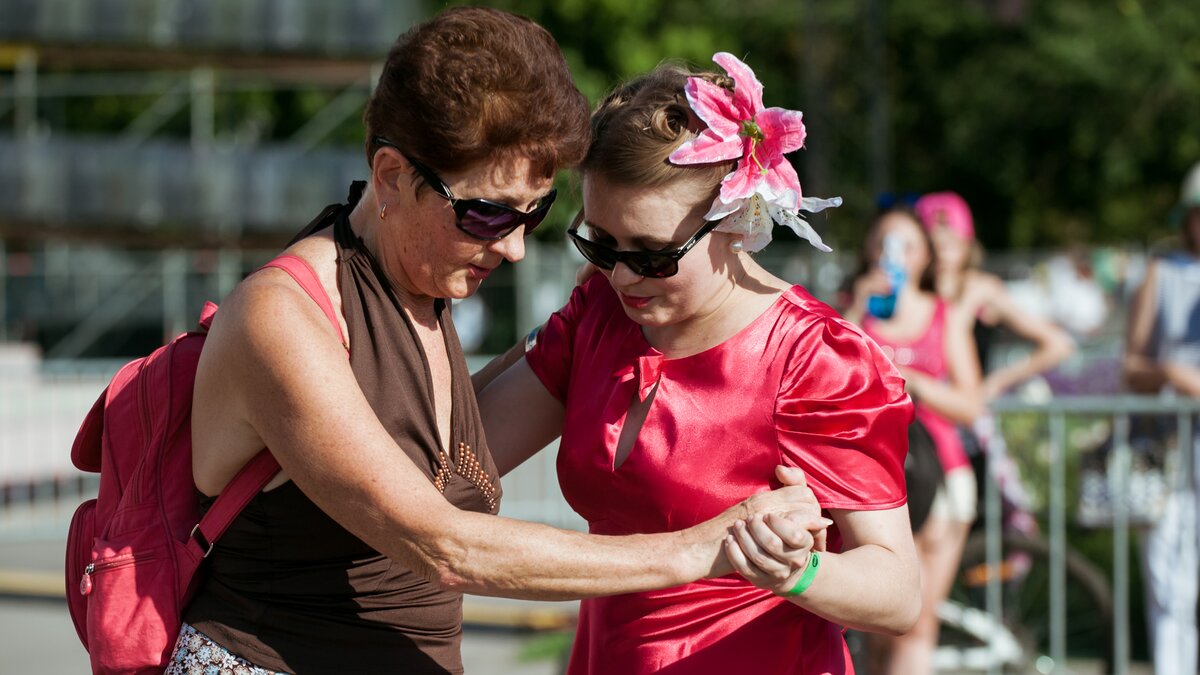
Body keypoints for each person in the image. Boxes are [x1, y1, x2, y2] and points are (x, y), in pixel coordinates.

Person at [177, 11, 819, 675]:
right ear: (393, 175)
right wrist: (705, 546)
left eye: (534, 214)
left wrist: (629, 297)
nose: (513, 247)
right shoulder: (281, 316)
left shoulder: (420, 289)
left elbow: (452, 455)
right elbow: (442, 542)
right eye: (488, 213)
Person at [475, 54, 920, 674]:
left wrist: (800, 570)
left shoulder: (816, 357)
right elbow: (459, 458)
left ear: (737, 221)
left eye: (654, 255)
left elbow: (898, 592)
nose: (624, 274)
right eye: (599, 242)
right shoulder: (602, 308)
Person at [843, 207, 984, 675]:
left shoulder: (944, 316)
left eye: (907, 245)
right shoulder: (853, 308)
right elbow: (825, 374)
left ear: (925, 257)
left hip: (938, 476)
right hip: (870, 478)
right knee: (873, 623)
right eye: (885, 242)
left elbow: (970, 404)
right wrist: (858, 306)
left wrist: (909, 379)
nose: (893, 254)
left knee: (915, 621)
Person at [1123, 161, 1200, 675]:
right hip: (1172, 451)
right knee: (1173, 585)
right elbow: (1131, 366)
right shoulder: (1164, 271)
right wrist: (1173, 371)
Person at [914, 191, 1075, 401]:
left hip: (966, 412)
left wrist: (998, 381)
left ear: (966, 244)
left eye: (951, 244)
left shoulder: (982, 290)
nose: (942, 254)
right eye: (934, 245)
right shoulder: (910, 292)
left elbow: (1058, 345)